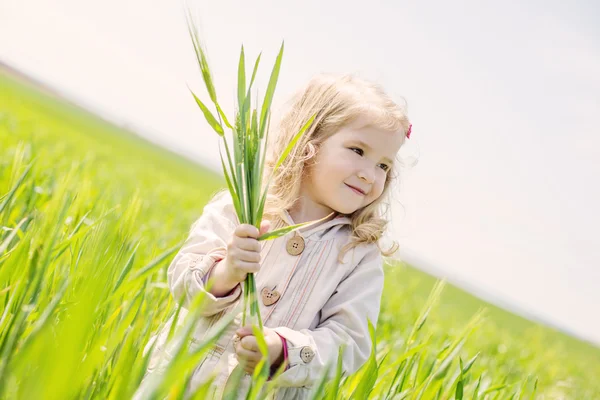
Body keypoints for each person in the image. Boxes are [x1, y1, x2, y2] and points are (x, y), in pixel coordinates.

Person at [134, 73, 412, 399]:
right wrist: (226, 272)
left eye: (383, 166)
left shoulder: (357, 253)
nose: (369, 173)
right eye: (357, 150)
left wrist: (284, 350)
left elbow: (349, 342)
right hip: (180, 383)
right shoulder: (244, 204)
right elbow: (182, 279)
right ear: (310, 142)